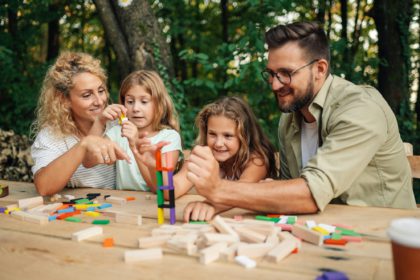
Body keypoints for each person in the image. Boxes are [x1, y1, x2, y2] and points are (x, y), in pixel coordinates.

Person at [185, 21, 416, 214]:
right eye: (272, 74)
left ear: (320, 69)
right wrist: (218, 204)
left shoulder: (360, 109)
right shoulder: (288, 120)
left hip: (383, 237)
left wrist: (218, 190)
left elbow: (309, 195)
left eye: (286, 74)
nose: (275, 84)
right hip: (320, 231)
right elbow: (288, 189)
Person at [31, 52, 130, 196]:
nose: (99, 101)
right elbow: (44, 187)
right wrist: (84, 144)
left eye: (101, 91)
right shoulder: (51, 136)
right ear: (64, 99)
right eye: (87, 95)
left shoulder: (117, 124)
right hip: (76, 212)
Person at [179, 96, 278, 221]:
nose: (219, 143)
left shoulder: (257, 160)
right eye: (212, 134)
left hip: (254, 222)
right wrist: (154, 165)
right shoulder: (205, 154)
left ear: (245, 136)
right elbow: (175, 187)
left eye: (228, 136)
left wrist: (210, 205)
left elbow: (242, 190)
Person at [91, 70, 182, 191]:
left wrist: (134, 146)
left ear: (159, 104)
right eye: (130, 102)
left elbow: (160, 189)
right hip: (123, 204)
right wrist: (100, 121)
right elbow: (88, 158)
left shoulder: (169, 138)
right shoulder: (117, 132)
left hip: (153, 205)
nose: (135, 108)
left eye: (144, 102)